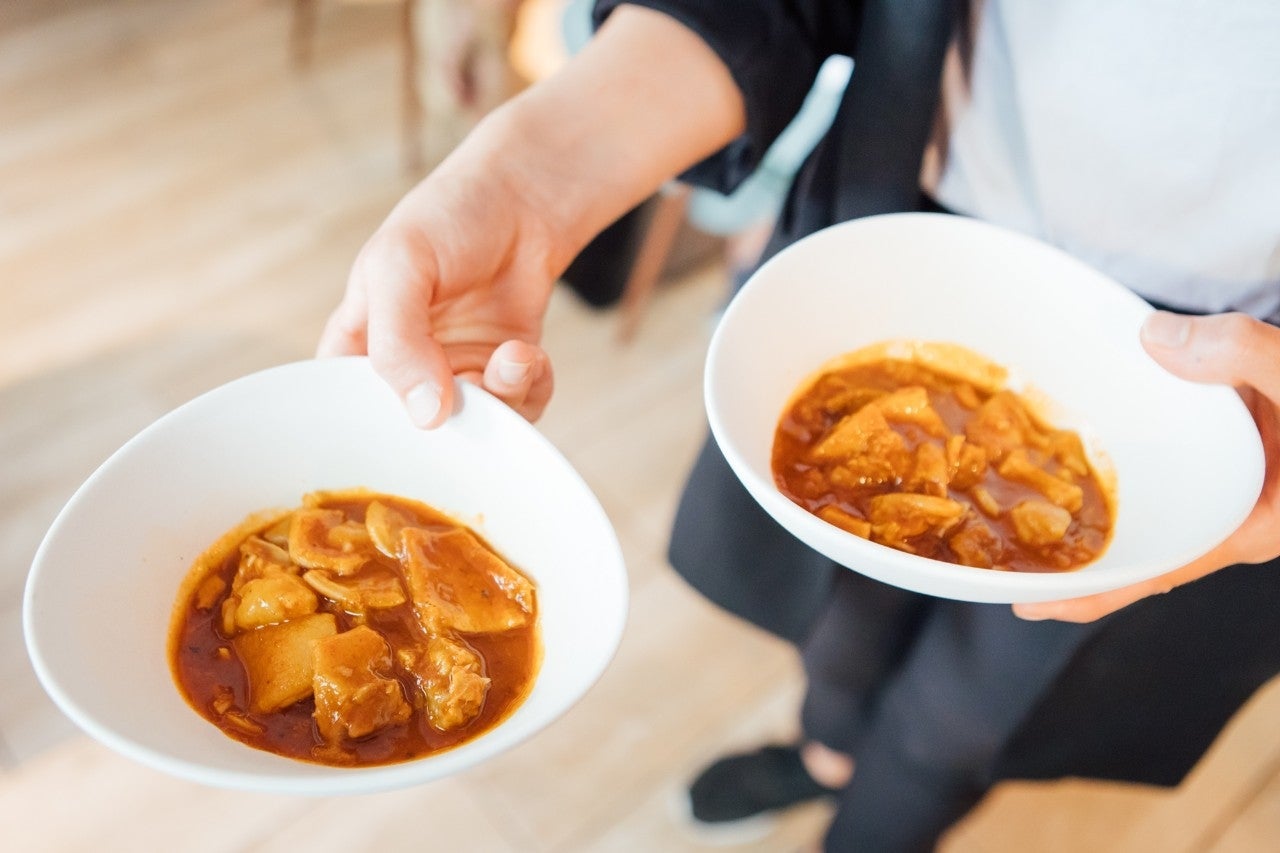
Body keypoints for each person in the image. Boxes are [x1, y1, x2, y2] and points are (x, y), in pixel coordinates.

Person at [317, 2, 1280, 850]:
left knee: (981, 710)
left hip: (1241, 380)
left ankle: (882, 828)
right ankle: (825, 753)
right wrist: (527, 180)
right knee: (837, 617)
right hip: (898, 213)